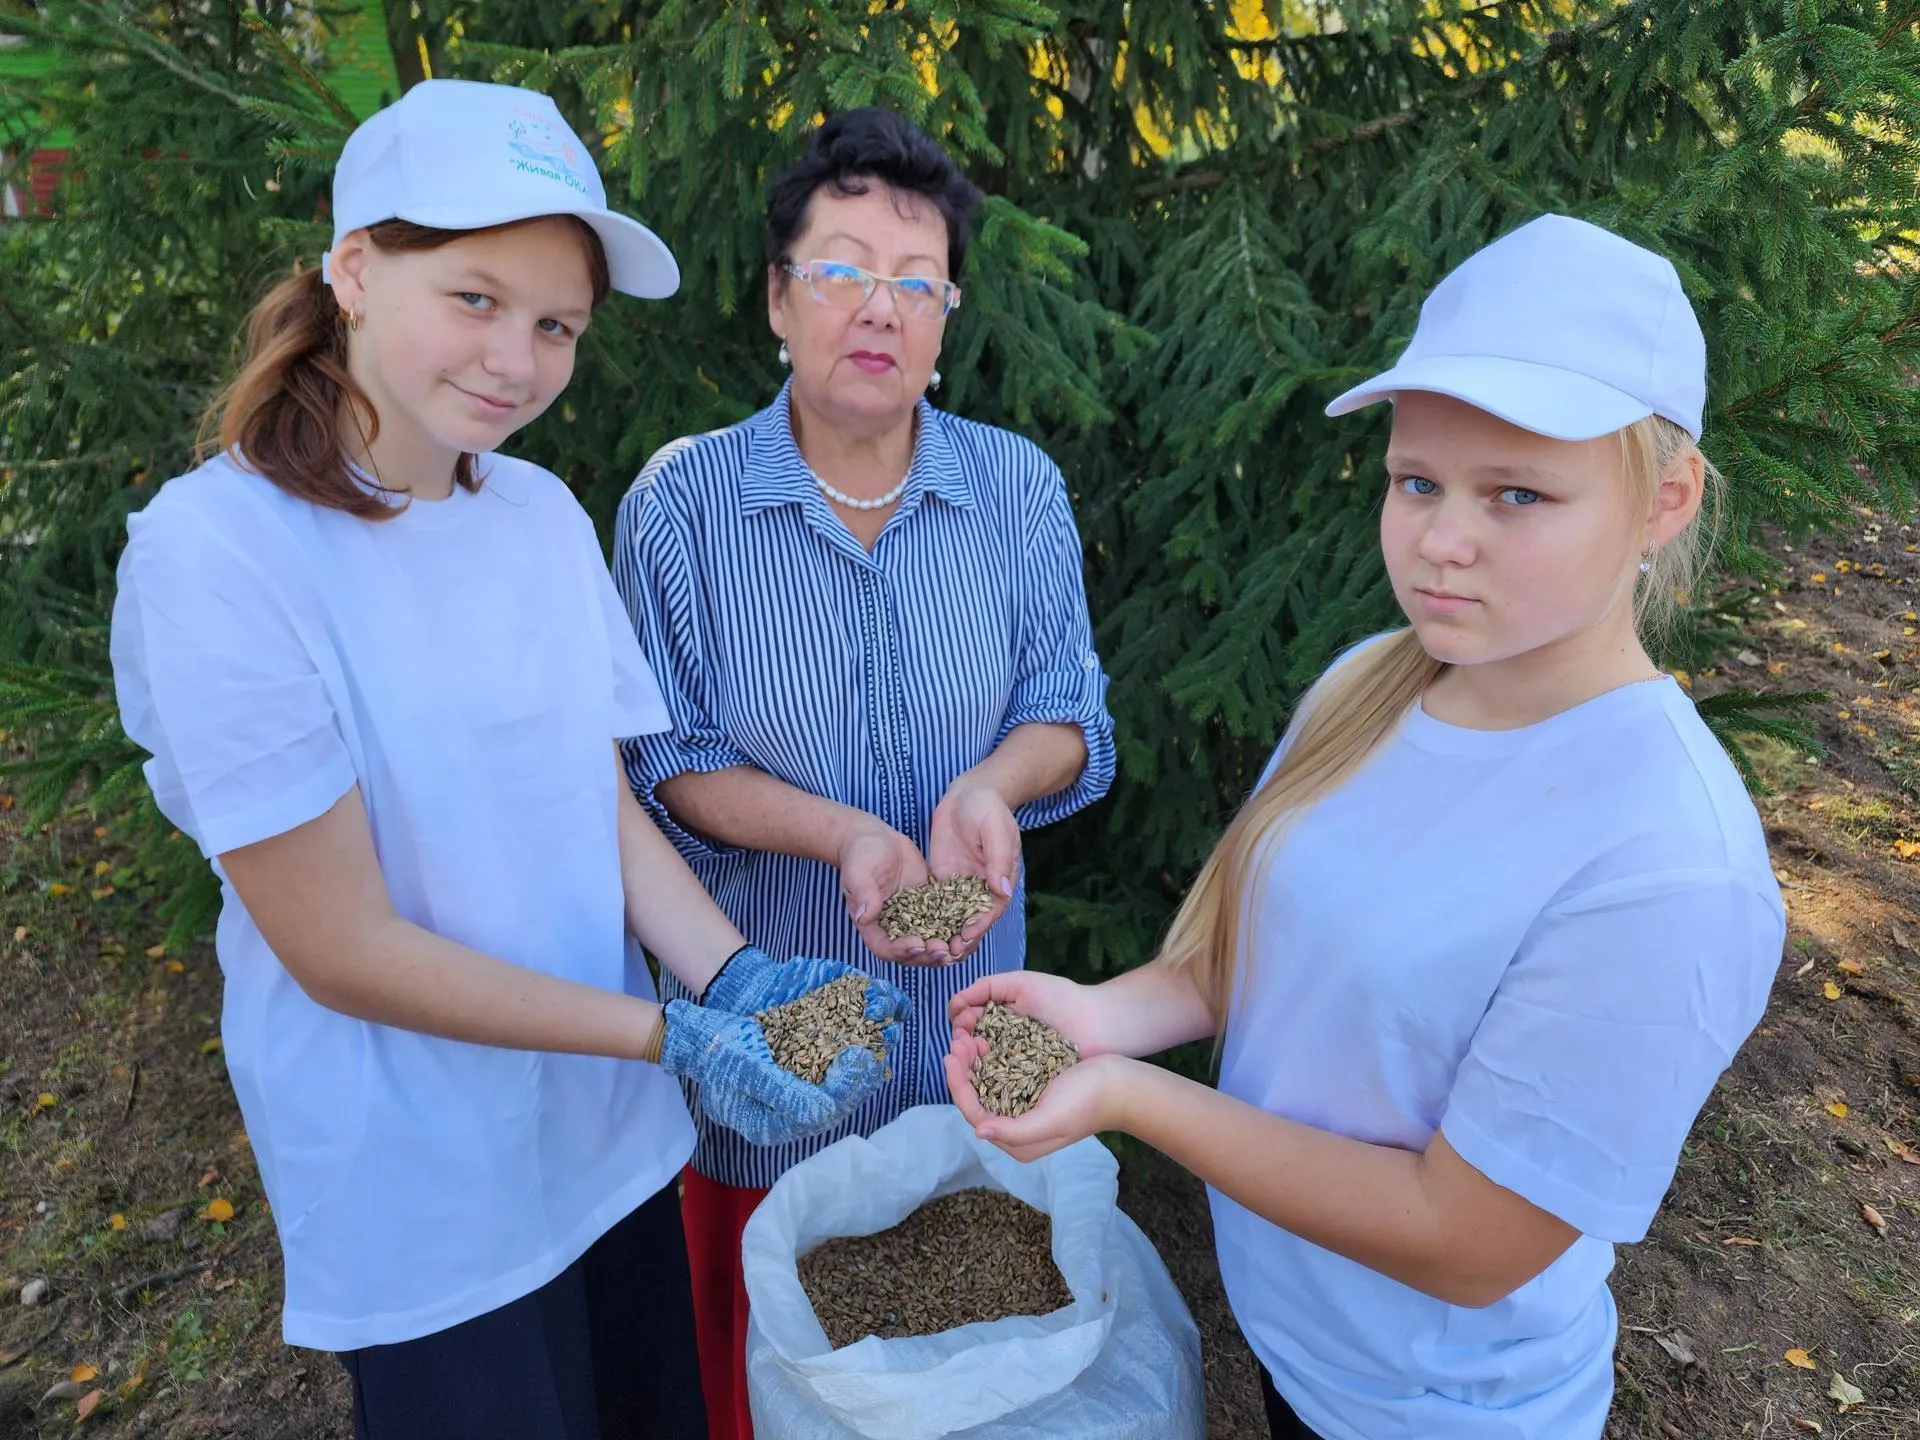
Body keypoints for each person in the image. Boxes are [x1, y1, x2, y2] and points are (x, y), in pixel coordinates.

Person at [109, 79, 906, 1440]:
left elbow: (588, 799)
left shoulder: (535, 513)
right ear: (356, 270)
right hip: (426, 1193)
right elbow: (342, 948)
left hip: (607, 1146)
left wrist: (731, 973)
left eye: (556, 326)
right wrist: (671, 1033)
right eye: (475, 299)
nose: (516, 361)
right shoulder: (218, 556)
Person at [945, 214, 1785, 1440]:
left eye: (1517, 494)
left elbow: (1466, 1241)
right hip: (1293, 1343)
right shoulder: (1370, 684)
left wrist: (1127, 1094)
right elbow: (1263, 957)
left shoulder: (1668, 866)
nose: (1442, 541)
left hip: (1433, 1407)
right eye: (1417, 481)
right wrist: (1101, 1016)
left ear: (1665, 500)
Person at [613, 107, 1116, 1438]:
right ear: (778, 297)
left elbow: (1068, 713)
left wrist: (990, 788)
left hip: (973, 1046)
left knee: (976, 1373)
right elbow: (669, 765)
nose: (878, 307)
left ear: (947, 316)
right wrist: (840, 832)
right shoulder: (682, 507)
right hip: (779, 1044)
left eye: (915, 280)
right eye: (840, 270)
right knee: (781, 1381)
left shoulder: (1016, 490)